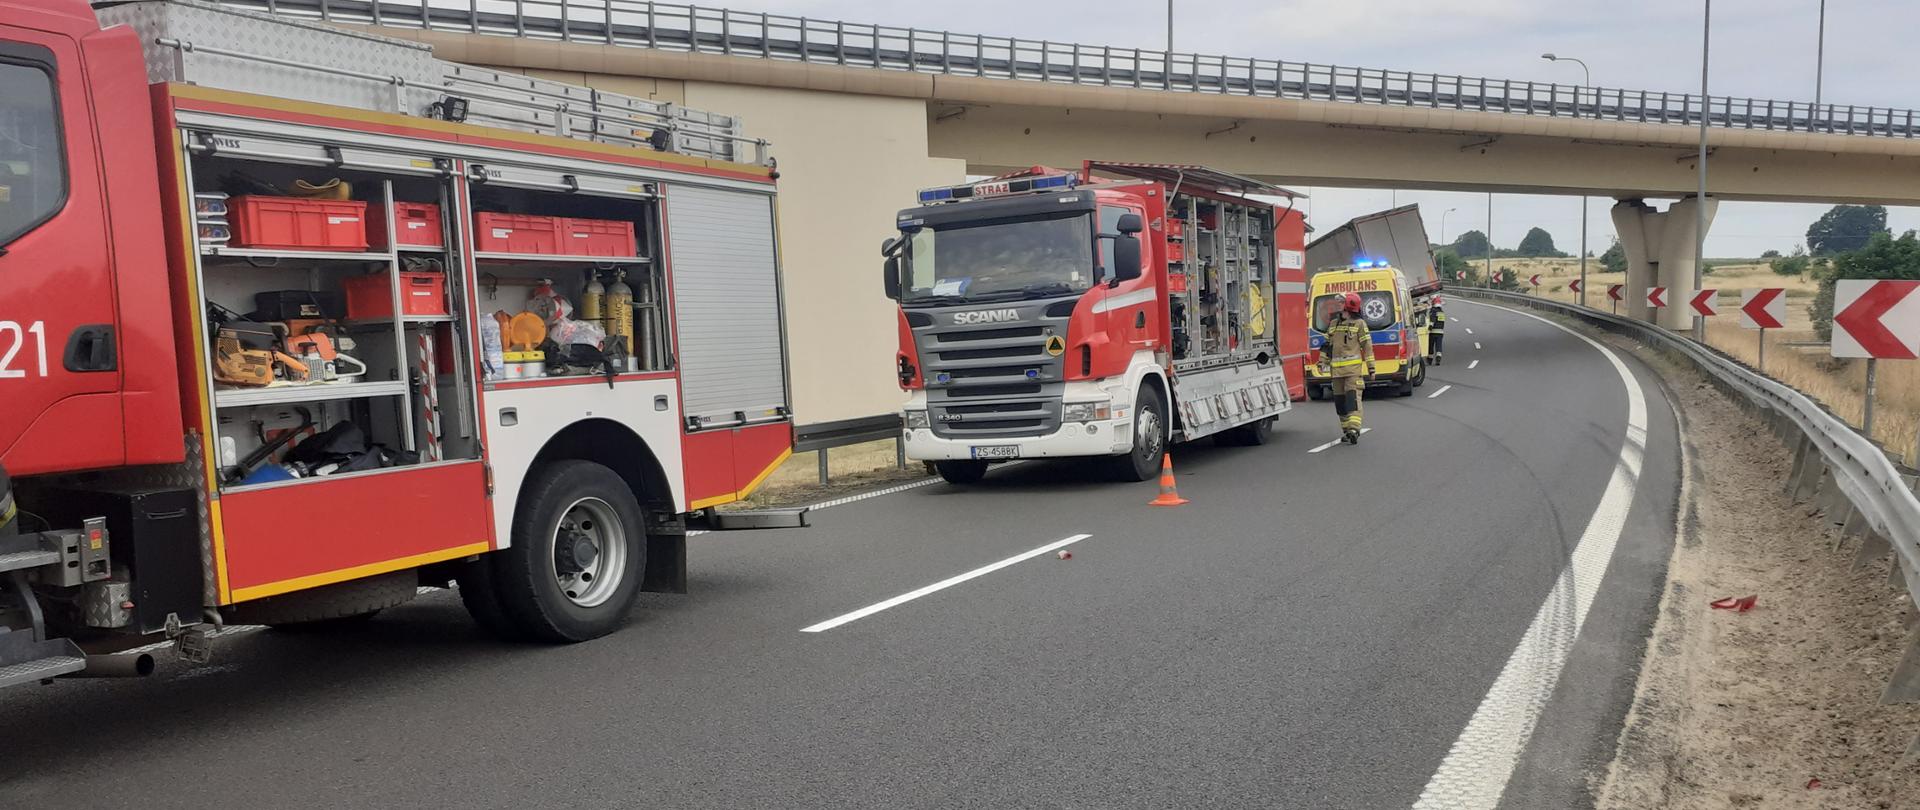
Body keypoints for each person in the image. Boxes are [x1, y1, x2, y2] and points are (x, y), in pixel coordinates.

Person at [1319, 292, 1375, 444]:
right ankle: (1346, 431)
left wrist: (1371, 368)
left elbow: (1367, 347)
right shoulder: (1333, 324)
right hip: (1336, 373)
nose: (1338, 304)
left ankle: (1354, 429)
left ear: (1350, 305)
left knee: (1352, 400)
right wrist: (1322, 361)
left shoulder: (1360, 324)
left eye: (1341, 302)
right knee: (1340, 403)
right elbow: (1326, 345)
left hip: (1352, 372)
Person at [1427, 301, 1447, 365]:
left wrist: (1430, 326)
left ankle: (1430, 359)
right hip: (1440, 332)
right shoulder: (1442, 313)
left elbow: (1433, 320)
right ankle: (1438, 356)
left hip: (1433, 332)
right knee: (1439, 346)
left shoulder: (1433, 311)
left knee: (1431, 346)